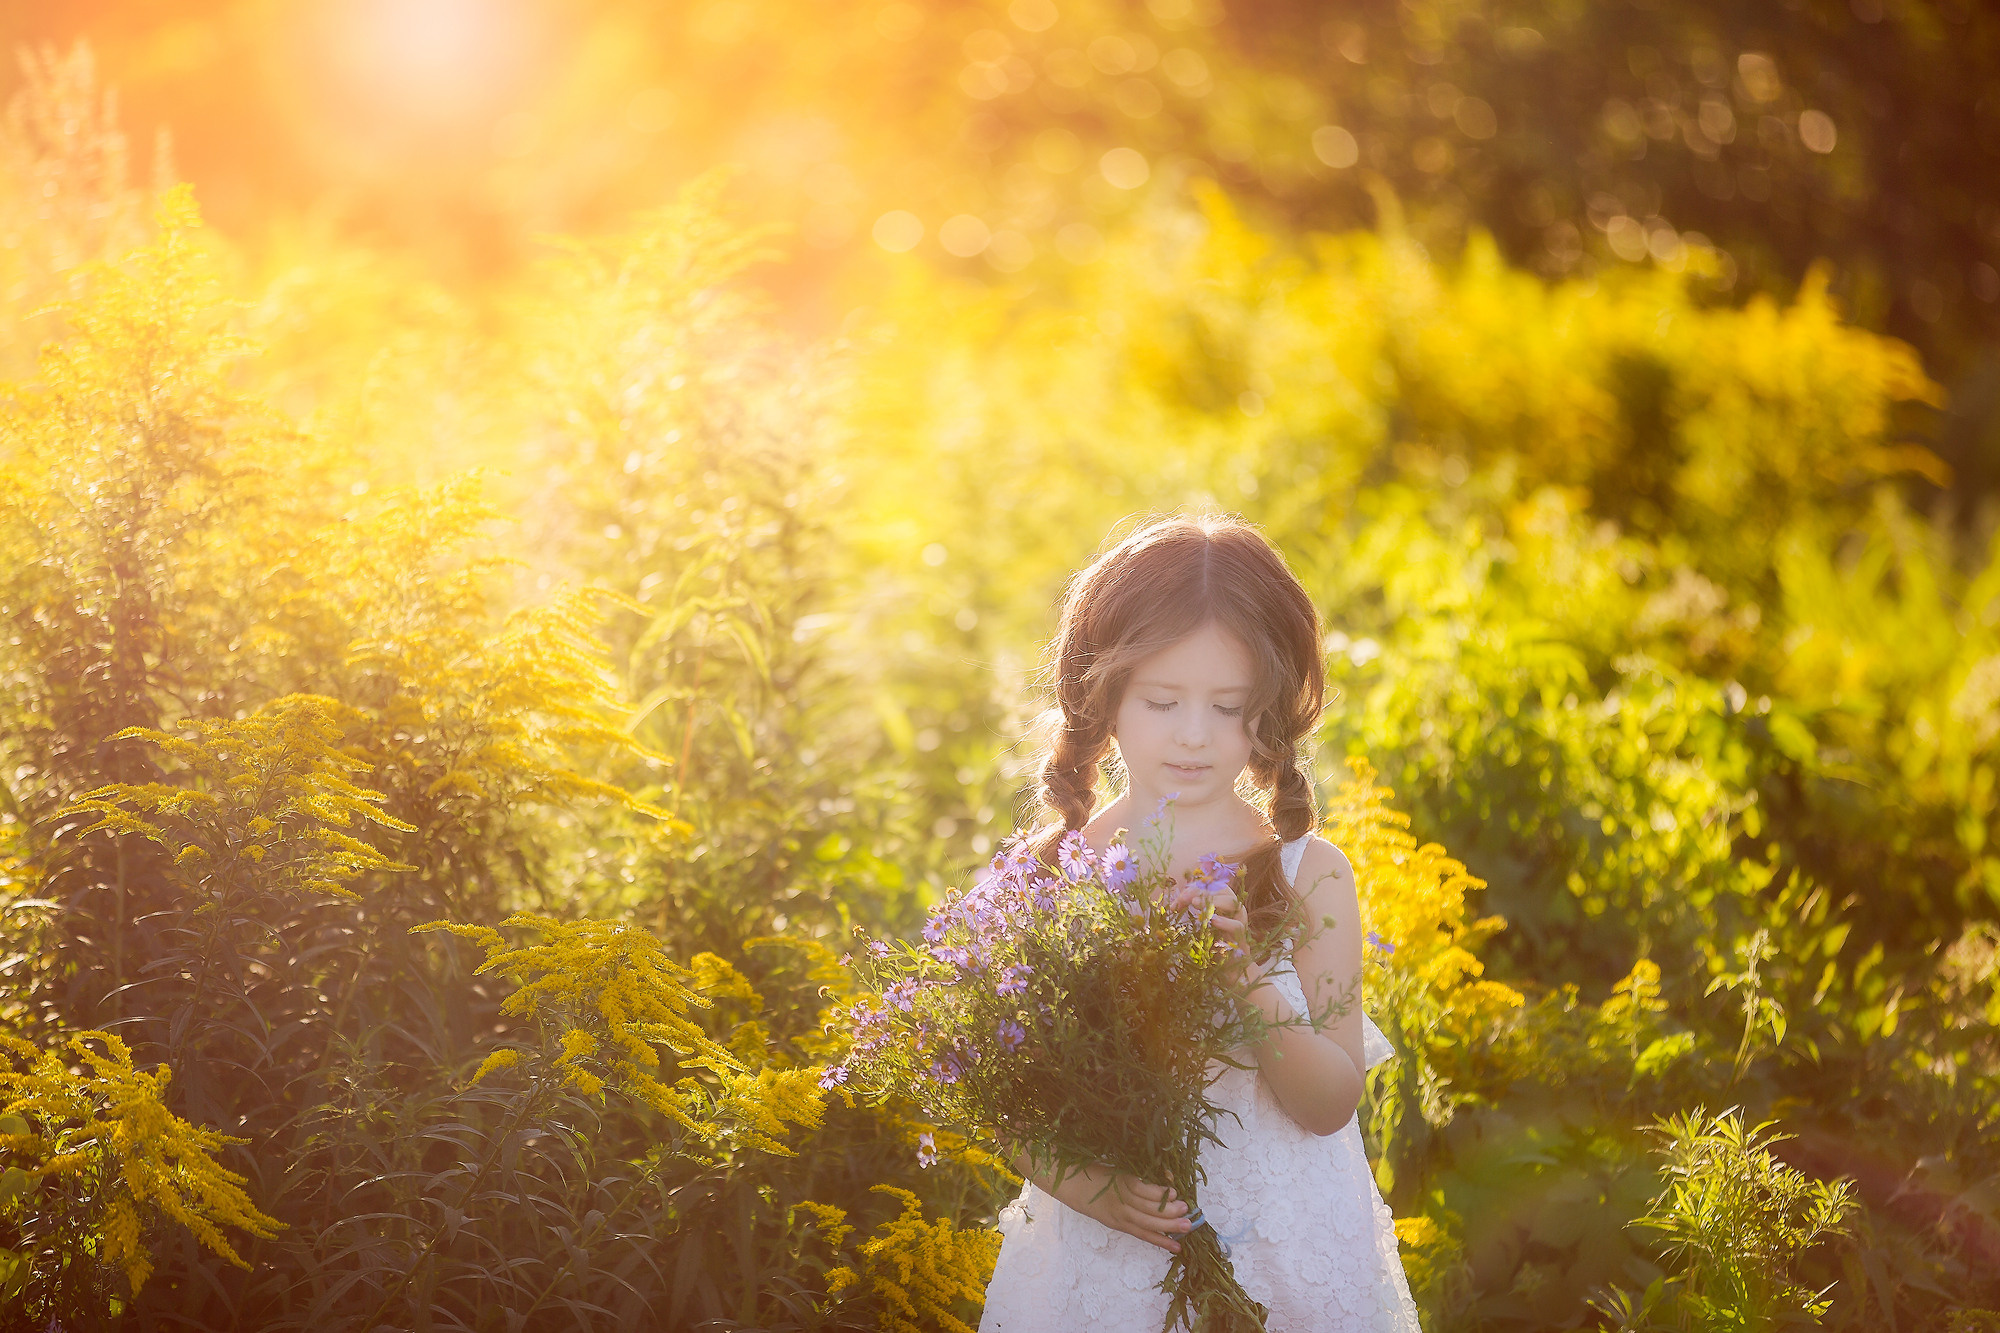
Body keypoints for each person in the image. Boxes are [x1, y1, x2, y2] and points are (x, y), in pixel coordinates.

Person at [977, 515, 1419, 1332]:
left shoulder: (1308, 874)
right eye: (1162, 699)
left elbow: (1329, 1102)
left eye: (1228, 707)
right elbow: (1009, 1101)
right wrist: (1088, 1188)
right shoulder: (1055, 871)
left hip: (1284, 1249)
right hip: (1109, 1259)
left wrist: (1244, 980)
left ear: (1273, 715)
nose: (1192, 733)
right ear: (1102, 698)